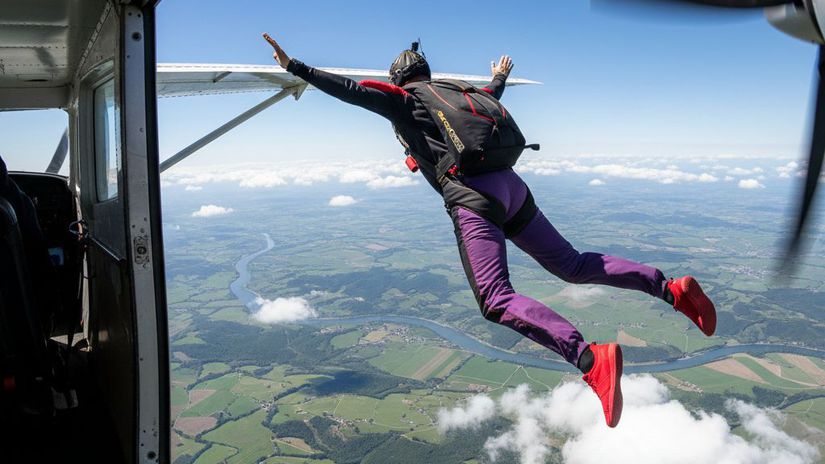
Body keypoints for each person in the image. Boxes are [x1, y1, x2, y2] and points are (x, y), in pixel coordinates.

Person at [262, 34, 717, 428]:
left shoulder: (405, 101)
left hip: (475, 198)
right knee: (572, 265)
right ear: (426, 71)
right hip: (513, 188)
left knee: (495, 298)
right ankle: (670, 289)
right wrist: (497, 77)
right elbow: (489, 98)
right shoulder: (458, 94)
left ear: (398, 80)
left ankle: (589, 358)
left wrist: (295, 66)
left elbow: (353, 92)